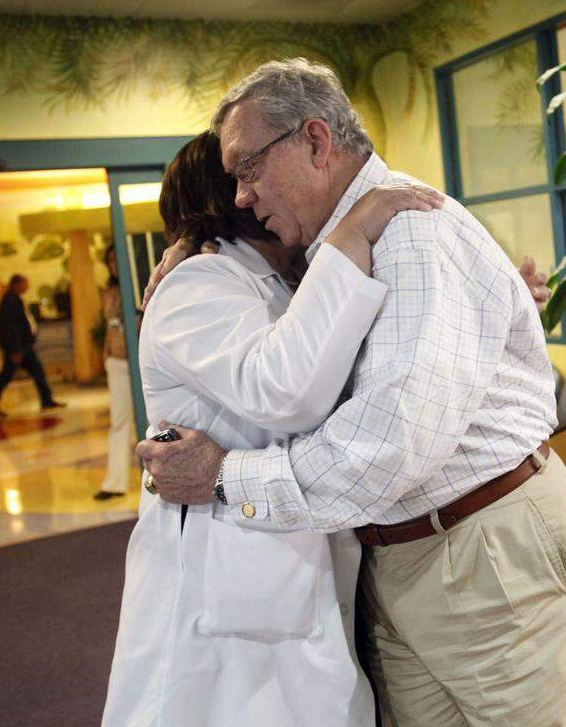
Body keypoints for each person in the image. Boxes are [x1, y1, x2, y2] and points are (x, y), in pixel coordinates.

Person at [137, 58, 566, 726]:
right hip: (397, 552)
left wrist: (224, 478)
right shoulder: (326, 251)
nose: (241, 195)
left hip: (478, 546)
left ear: (315, 140)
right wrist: (192, 244)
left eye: (248, 169)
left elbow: (388, 445)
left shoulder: (408, 229)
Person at [102, 131, 444, 726]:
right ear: (231, 195)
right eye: (249, 174)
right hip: (232, 579)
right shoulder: (196, 285)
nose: (260, 190)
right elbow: (285, 391)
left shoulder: (286, 281)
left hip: (298, 551)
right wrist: (352, 231)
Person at [0, 274, 65, 418]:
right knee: (7, 376)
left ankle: (46, 400)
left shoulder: (14, 299)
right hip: (17, 348)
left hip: (23, 346)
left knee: (36, 371)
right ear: (16, 284)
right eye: (24, 284)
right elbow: (10, 327)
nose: (26, 287)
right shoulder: (10, 301)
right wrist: (15, 349)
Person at [93, 246, 133, 500]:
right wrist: (107, 354)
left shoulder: (139, 285)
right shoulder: (109, 292)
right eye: (109, 260)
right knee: (119, 422)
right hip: (116, 361)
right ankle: (115, 483)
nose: (113, 264)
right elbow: (109, 325)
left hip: (139, 361)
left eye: (116, 259)